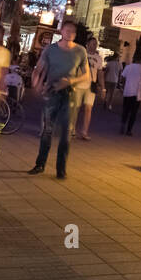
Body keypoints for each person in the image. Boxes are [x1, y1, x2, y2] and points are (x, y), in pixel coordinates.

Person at [30, 22, 90, 179]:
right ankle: (40, 164)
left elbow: (86, 75)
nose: (69, 33)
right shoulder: (51, 49)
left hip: (70, 94)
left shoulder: (80, 51)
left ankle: (61, 169)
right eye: (67, 30)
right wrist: (36, 83)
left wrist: (70, 81)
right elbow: (39, 68)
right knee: (47, 130)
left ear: (75, 34)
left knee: (66, 133)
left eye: (72, 31)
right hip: (52, 93)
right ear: (61, 31)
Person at [75, 36, 103, 141]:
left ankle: (84, 131)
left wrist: (103, 88)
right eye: (92, 43)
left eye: (96, 44)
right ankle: (72, 129)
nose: (94, 46)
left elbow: (100, 73)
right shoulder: (81, 55)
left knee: (88, 108)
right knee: (76, 108)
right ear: (87, 44)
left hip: (91, 85)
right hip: (79, 84)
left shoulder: (99, 58)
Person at [119, 55, 141, 136]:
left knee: (125, 110)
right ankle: (129, 130)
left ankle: (122, 125)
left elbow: (122, 78)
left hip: (127, 92)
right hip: (136, 94)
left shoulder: (128, 67)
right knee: (133, 113)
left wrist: (124, 86)